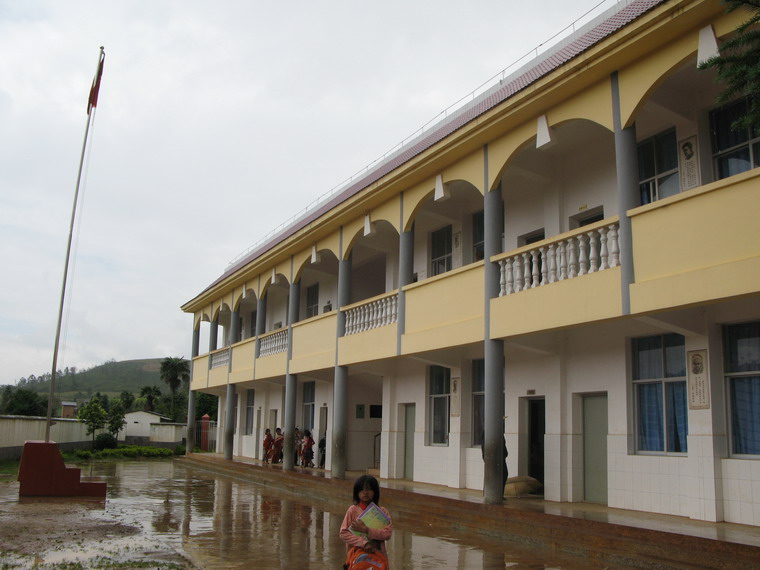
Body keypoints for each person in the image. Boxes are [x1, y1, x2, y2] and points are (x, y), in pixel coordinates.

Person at [339, 475, 392, 568]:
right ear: (357, 492)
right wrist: (363, 543)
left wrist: (367, 530)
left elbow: (387, 533)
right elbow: (343, 533)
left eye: (369, 489)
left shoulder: (382, 512)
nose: (365, 492)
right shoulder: (352, 510)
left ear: (375, 491)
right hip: (356, 558)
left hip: (378, 559)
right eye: (362, 489)